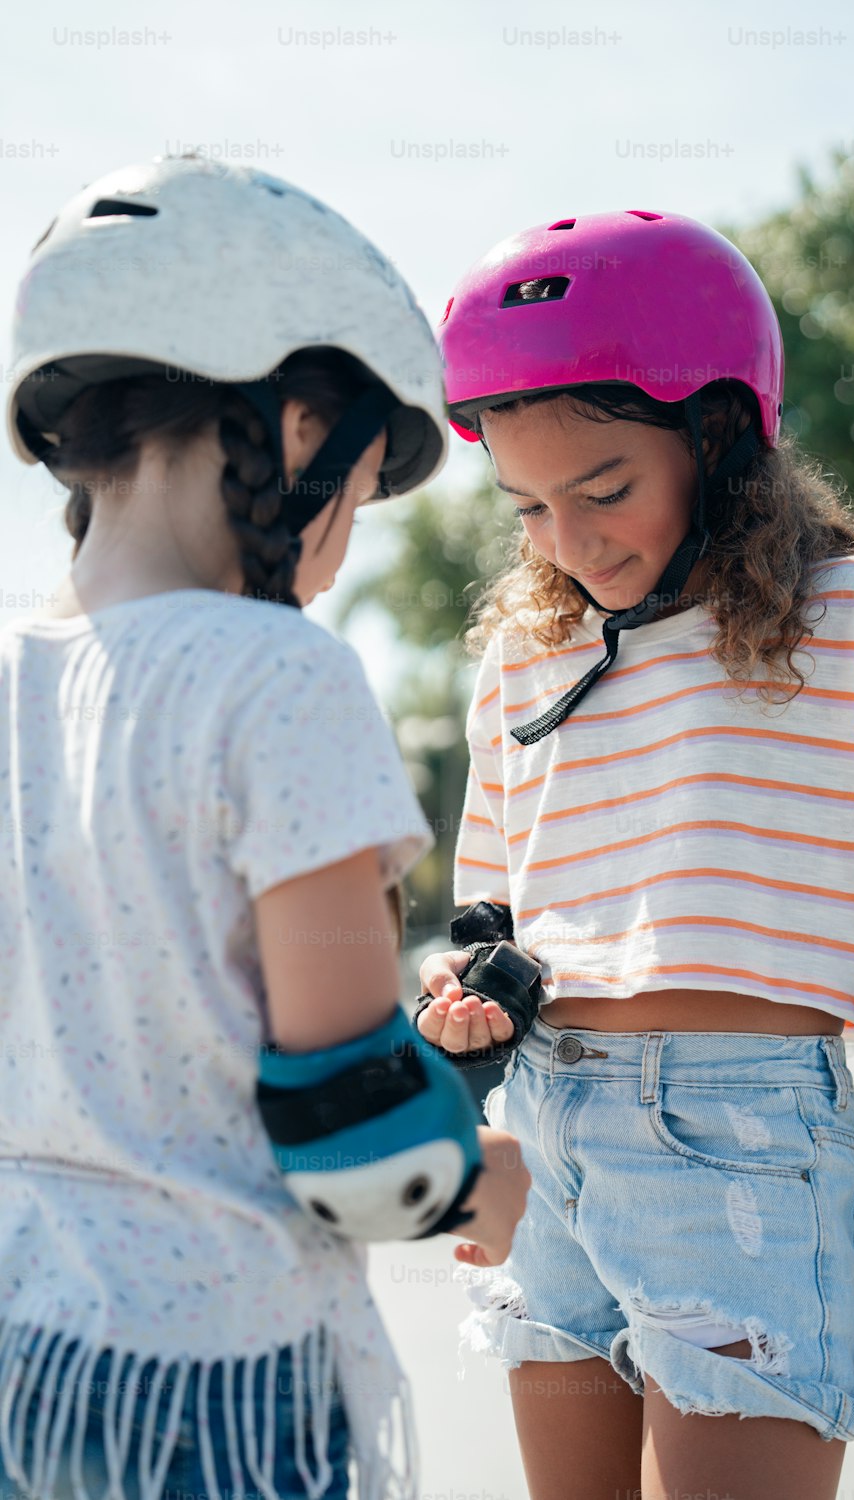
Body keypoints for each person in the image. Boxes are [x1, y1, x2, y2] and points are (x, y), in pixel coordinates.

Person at [416, 210, 854, 1500]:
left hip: (740, 1145)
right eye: (529, 505)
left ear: (722, 435)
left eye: (606, 488)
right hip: (549, 1122)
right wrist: (463, 1025)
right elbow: (491, 933)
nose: (569, 542)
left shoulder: (851, 620)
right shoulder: (527, 650)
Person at [0, 156, 528, 1500]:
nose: (343, 546)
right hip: (213, 1390)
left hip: (24, 1356)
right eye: (357, 493)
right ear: (300, 427)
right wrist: (487, 1171)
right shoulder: (280, 674)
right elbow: (355, 1143)